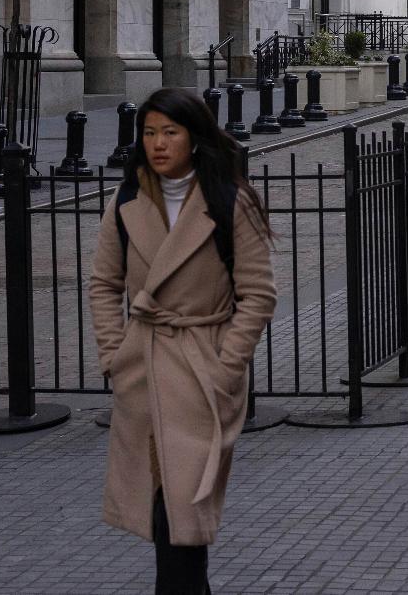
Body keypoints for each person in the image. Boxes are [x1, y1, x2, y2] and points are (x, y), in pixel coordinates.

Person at [90, 89, 277, 595]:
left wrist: (226, 365)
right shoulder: (127, 200)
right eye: (149, 133)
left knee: (185, 517)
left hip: (201, 368)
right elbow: (104, 285)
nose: (158, 144)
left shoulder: (227, 201)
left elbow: (258, 294)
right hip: (144, 367)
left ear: (194, 138)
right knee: (163, 515)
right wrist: (113, 355)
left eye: (170, 132)